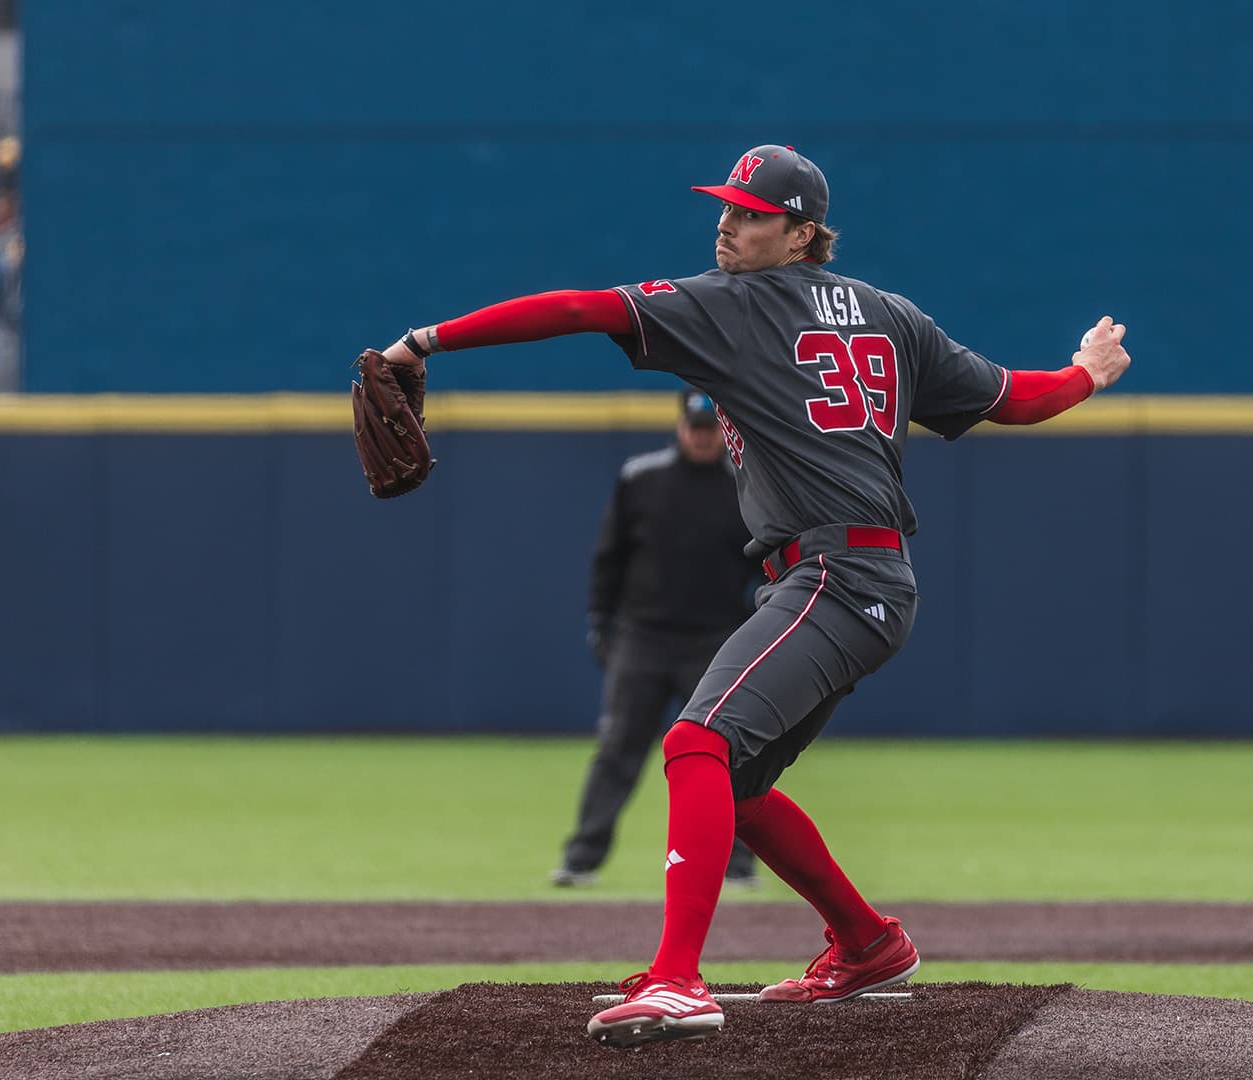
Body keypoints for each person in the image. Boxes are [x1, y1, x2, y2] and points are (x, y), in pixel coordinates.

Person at [373, 144, 1131, 1049]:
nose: (727, 223)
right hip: (868, 580)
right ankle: (868, 944)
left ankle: (677, 981)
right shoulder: (891, 315)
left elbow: (578, 308)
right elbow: (1015, 399)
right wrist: (1086, 372)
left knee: (696, 740)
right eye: (725, 206)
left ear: (802, 232)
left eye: (751, 212)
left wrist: (425, 340)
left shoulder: (731, 304)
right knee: (738, 779)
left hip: (836, 577)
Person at [554, 388, 764, 891]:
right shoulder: (642, 478)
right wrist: (600, 621)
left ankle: (738, 865)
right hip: (643, 637)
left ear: (724, 431)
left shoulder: (746, 486)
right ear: (679, 425)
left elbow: (769, 563)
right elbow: (610, 558)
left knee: (724, 754)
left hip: (715, 641)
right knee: (617, 748)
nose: (701, 436)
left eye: (711, 428)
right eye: (694, 426)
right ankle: (582, 858)